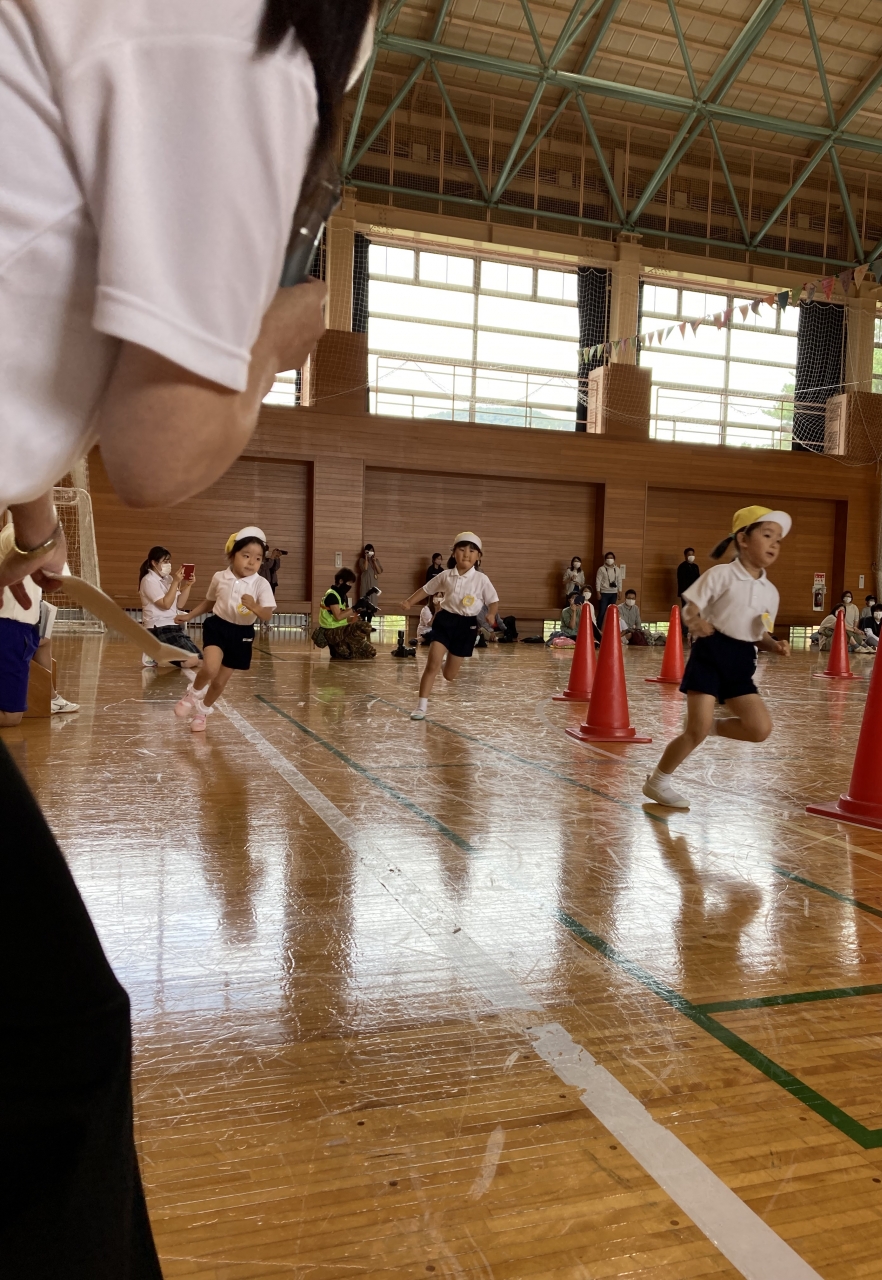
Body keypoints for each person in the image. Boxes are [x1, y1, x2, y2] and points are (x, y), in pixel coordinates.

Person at [0, 4, 375, 1270]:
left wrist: (37, 516)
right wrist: (272, 341)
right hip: (205, 624)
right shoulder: (246, 33)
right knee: (51, 1050)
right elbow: (161, 451)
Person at [642, 505, 792, 810]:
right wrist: (695, 622)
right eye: (767, 535)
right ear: (743, 539)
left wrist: (774, 644)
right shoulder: (721, 575)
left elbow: (758, 634)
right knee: (694, 732)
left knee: (759, 729)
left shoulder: (771, 592)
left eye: (778, 539)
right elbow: (690, 609)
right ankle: (657, 782)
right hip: (710, 654)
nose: (774, 544)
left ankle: (711, 725)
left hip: (741, 662)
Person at [175, 527, 276, 731]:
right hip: (218, 627)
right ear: (232, 554)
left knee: (219, 682)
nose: (251, 562)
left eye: (257, 558)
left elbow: (267, 614)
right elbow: (209, 602)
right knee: (210, 668)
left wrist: (255, 607)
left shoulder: (261, 584)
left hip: (242, 635)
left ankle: (202, 712)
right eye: (246, 556)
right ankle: (192, 694)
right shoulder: (219, 577)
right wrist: (190, 615)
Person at [402, 533, 498, 720]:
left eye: (472, 551)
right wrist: (409, 602)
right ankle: (421, 707)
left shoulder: (482, 579)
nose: (466, 554)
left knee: (449, 675)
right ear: (453, 553)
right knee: (432, 664)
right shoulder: (445, 575)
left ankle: (447, 664)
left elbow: (493, 600)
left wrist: (492, 613)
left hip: (467, 626)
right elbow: (426, 590)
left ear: (478, 556)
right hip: (445, 621)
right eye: (461, 549)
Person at [0, 520, 79, 724]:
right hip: (11, 629)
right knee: (11, 718)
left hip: (23, 629)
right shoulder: (18, 540)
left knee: (44, 641)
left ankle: (52, 698)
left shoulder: (29, 544)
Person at [138, 546, 201, 671]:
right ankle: (155, 650)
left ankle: (156, 649)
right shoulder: (148, 580)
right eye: (165, 561)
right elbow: (165, 604)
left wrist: (188, 585)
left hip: (173, 625)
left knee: (200, 659)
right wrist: (176, 582)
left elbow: (180, 604)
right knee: (192, 660)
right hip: (158, 627)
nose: (168, 564)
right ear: (154, 563)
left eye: (169, 561)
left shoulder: (168, 579)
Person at [311, 568, 377, 660]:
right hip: (330, 630)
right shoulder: (331, 595)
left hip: (342, 629)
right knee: (365, 626)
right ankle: (342, 645)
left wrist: (359, 615)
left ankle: (341, 648)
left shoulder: (343, 596)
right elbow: (338, 617)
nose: (350, 586)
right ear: (341, 581)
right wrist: (354, 608)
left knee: (371, 652)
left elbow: (346, 617)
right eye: (349, 583)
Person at [595, 551, 623, 630]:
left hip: (614, 593)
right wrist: (598, 592)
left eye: (611, 558)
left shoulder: (617, 569)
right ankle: (599, 629)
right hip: (604, 593)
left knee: (611, 611)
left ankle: (609, 628)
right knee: (602, 611)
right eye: (608, 558)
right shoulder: (601, 569)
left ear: (614, 559)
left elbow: (619, 581)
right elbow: (598, 581)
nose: (609, 559)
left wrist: (620, 591)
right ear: (605, 559)